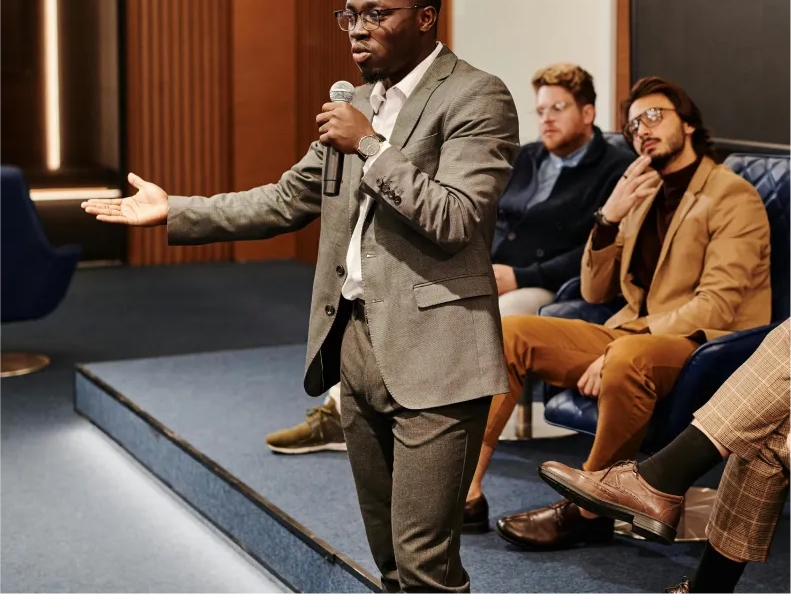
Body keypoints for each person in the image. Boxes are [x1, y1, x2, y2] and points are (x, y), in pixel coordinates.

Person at [82, 0, 520, 595]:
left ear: (426, 19)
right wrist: (173, 209)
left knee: (426, 564)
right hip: (357, 343)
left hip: (437, 353)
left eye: (377, 14)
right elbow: (284, 200)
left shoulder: (476, 95)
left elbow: (455, 218)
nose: (357, 29)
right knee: (391, 562)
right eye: (350, 15)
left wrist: (369, 145)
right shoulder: (359, 102)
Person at [462, 76, 772, 545]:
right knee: (509, 334)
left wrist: (628, 342)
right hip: (635, 331)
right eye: (632, 125)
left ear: (687, 124)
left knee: (627, 358)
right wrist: (608, 217)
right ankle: (465, 491)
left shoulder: (731, 195)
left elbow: (718, 305)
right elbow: (595, 287)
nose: (642, 129)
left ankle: (587, 511)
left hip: (705, 343)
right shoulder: (643, 193)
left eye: (654, 117)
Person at [265, 63, 634, 457]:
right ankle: (342, 411)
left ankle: (440, 429)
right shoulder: (528, 157)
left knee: (494, 314)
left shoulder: (614, 169)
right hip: (485, 268)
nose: (546, 120)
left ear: (588, 114)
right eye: (541, 111)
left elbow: (598, 247)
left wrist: (522, 275)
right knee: (409, 296)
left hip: (545, 283)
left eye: (558, 109)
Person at [538, 317, 791, 595]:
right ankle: (706, 585)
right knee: (771, 427)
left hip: (692, 336)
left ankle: (659, 483)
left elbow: (716, 306)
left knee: (769, 431)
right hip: (626, 323)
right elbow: (594, 292)